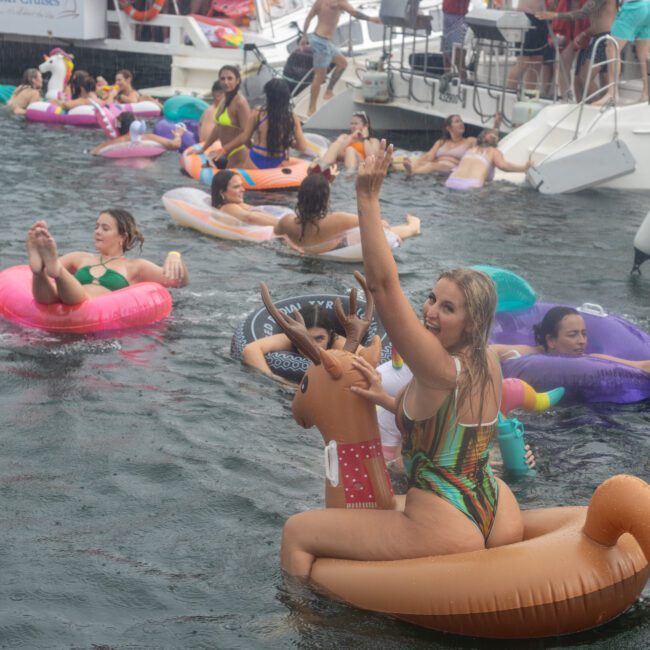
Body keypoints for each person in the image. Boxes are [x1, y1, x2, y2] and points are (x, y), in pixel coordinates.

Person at [279, 143, 525, 578]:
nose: (430, 311)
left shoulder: (436, 366)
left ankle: (299, 623)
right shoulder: (487, 360)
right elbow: (448, 425)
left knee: (297, 531)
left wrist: (368, 198)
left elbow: (384, 285)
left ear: (472, 322)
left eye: (448, 309)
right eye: (432, 298)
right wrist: (388, 402)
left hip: (444, 521)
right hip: (497, 508)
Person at [26, 210, 188, 306]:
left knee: (79, 294)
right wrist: (45, 271)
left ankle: (58, 270)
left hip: (88, 303)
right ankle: (39, 270)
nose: (97, 231)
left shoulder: (135, 266)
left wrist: (174, 256)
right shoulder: (80, 257)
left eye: (105, 228)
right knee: (48, 283)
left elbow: (178, 282)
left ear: (122, 237)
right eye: (96, 227)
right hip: (61, 298)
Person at [274, 173, 421, 255]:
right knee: (380, 231)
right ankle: (413, 227)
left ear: (300, 196)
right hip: (332, 257)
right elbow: (379, 225)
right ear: (326, 198)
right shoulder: (338, 220)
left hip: (306, 258)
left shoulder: (286, 222)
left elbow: (275, 235)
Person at [490, 306, 650, 371]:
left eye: (584, 334)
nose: (582, 341)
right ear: (551, 340)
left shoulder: (591, 361)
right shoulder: (530, 354)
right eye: (573, 335)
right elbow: (488, 352)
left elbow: (641, 366)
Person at [300, 0, 382, 115]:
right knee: (318, 77)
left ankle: (328, 91)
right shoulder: (338, 1)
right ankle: (311, 109)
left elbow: (308, 18)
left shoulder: (319, 2)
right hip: (321, 44)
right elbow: (353, 12)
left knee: (343, 63)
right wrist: (371, 19)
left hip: (319, 39)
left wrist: (304, 37)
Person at [241, 303, 347, 381]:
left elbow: (362, 357)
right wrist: (273, 379)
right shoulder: (290, 338)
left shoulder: (338, 343)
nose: (312, 345)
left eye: (319, 338)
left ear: (329, 336)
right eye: (305, 338)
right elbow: (250, 350)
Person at [218, 78, 309, 169]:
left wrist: (250, 147)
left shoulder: (258, 113)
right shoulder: (292, 118)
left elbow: (245, 138)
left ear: (268, 96)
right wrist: (289, 143)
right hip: (278, 161)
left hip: (256, 158)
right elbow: (302, 146)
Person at [537, 0, 617, 101]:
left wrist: (555, 15)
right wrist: (584, 33)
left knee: (585, 77)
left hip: (604, 39)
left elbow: (583, 13)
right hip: (597, 37)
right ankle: (595, 106)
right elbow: (595, 19)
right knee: (581, 78)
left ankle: (599, 107)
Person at [192, 66, 251, 168]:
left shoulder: (240, 103)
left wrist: (225, 149)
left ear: (237, 81)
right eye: (222, 79)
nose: (226, 82)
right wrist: (204, 148)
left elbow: (247, 134)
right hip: (226, 151)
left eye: (230, 78)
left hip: (239, 152)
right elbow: (218, 128)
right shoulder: (224, 101)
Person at [445, 129, 532, 190]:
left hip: (451, 182)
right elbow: (502, 165)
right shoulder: (493, 151)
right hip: (471, 185)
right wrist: (523, 168)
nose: (494, 136)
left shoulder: (470, 150)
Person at [400, 114, 476, 177]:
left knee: (431, 165)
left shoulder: (470, 141)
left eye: (461, 121)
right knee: (421, 163)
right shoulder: (441, 142)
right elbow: (429, 156)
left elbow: (483, 147)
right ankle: (398, 167)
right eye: (457, 122)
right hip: (437, 165)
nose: (461, 123)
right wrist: (417, 162)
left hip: (452, 167)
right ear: (449, 128)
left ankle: (411, 172)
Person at [311, 111, 380, 172]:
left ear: (365, 126)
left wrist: (365, 138)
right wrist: (351, 137)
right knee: (335, 145)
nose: (353, 126)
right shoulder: (345, 137)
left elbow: (372, 157)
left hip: (360, 163)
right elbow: (336, 152)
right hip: (342, 161)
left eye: (356, 124)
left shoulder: (373, 141)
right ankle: (321, 167)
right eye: (351, 123)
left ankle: (350, 174)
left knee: (350, 150)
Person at [90, 111, 184, 155]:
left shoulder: (111, 143)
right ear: (136, 123)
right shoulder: (148, 138)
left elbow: (93, 152)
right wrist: (178, 135)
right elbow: (175, 145)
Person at [211, 170, 282, 226]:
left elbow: (258, 210)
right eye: (236, 187)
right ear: (222, 192)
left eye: (241, 185)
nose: (243, 190)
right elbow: (250, 218)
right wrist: (284, 226)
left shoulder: (238, 205)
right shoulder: (228, 207)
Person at [507, 0, 550, 92]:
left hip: (541, 19)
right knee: (524, 61)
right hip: (527, 16)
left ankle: (529, 97)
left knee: (537, 61)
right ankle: (509, 94)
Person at [441, 0, 471, 78]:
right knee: (446, 50)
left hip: (459, 15)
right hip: (448, 14)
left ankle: (463, 78)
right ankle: (447, 77)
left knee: (458, 50)